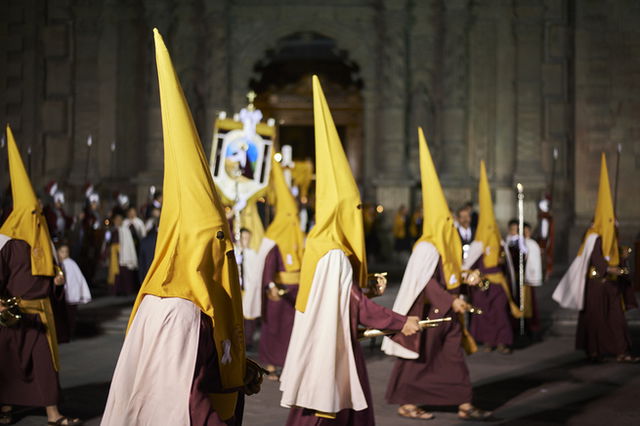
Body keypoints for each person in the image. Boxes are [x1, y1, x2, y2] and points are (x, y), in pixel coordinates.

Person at [101, 29, 263, 425]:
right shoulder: (180, 310)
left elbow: (201, 366)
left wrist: (239, 371)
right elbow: (181, 400)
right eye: (217, 238)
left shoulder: (179, 298)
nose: (225, 250)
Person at [279, 76, 420, 426]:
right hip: (333, 348)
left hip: (321, 343)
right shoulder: (336, 254)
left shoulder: (318, 243)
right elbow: (354, 305)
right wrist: (401, 322)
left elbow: (338, 294)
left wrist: (364, 285)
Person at [383, 127, 490, 421]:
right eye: (445, 221)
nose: (450, 226)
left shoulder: (446, 244)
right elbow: (426, 282)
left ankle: (464, 403)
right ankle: (407, 402)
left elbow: (450, 272)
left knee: (453, 357)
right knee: (419, 360)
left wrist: (466, 279)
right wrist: (450, 299)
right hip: (429, 314)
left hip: (450, 312)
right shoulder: (426, 247)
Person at [0, 125, 81, 425]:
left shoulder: (42, 241)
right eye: (32, 214)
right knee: (9, 365)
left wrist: (56, 282)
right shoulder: (6, 244)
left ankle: (53, 413)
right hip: (13, 312)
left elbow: (51, 273)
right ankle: (6, 407)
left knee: (45, 365)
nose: (38, 219)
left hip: (40, 313)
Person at [553, 153, 638, 363]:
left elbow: (616, 254)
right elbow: (598, 260)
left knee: (617, 320)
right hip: (596, 285)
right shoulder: (593, 237)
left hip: (611, 287)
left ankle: (622, 351)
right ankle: (595, 351)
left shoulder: (612, 236)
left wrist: (622, 258)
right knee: (596, 320)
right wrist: (613, 269)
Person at [464, 161, 522, 354]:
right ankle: (489, 341)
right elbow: (467, 264)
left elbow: (507, 264)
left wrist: (503, 260)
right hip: (483, 284)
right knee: (485, 314)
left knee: (501, 313)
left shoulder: (500, 242)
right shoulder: (478, 244)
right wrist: (473, 277)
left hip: (498, 283)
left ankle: (503, 342)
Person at [257, 157, 305, 379]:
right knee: (274, 328)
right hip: (278, 290)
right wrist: (270, 285)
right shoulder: (274, 238)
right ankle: (269, 365)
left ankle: (288, 363)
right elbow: (269, 265)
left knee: (290, 330)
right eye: (289, 215)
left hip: (295, 290)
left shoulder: (299, 237)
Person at [506, 220, 543, 339]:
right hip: (512, 280)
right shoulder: (508, 242)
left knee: (526, 305)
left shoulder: (527, 244)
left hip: (524, 280)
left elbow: (530, 260)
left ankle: (529, 328)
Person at [56, 242, 92, 339]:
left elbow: (75, 280)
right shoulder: (59, 263)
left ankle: (68, 334)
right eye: (62, 251)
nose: (64, 254)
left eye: (66, 251)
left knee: (70, 317)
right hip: (65, 296)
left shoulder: (70, 264)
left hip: (70, 296)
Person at [237, 228, 261, 352]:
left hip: (249, 289)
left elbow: (256, 273)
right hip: (237, 288)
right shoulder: (235, 252)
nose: (246, 241)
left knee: (249, 317)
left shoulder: (252, 254)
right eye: (243, 238)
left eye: (248, 238)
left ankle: (248, 342)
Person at [106, 212, 139, 296]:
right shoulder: (112, 230)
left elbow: (128, 244)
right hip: (114, 255)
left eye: (119, 220)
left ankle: (126, 291)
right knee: (115, 274)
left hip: (123, 254)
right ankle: (115, 291)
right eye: (116, 220)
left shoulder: (125, 230)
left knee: (125, 273)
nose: (118, 221)